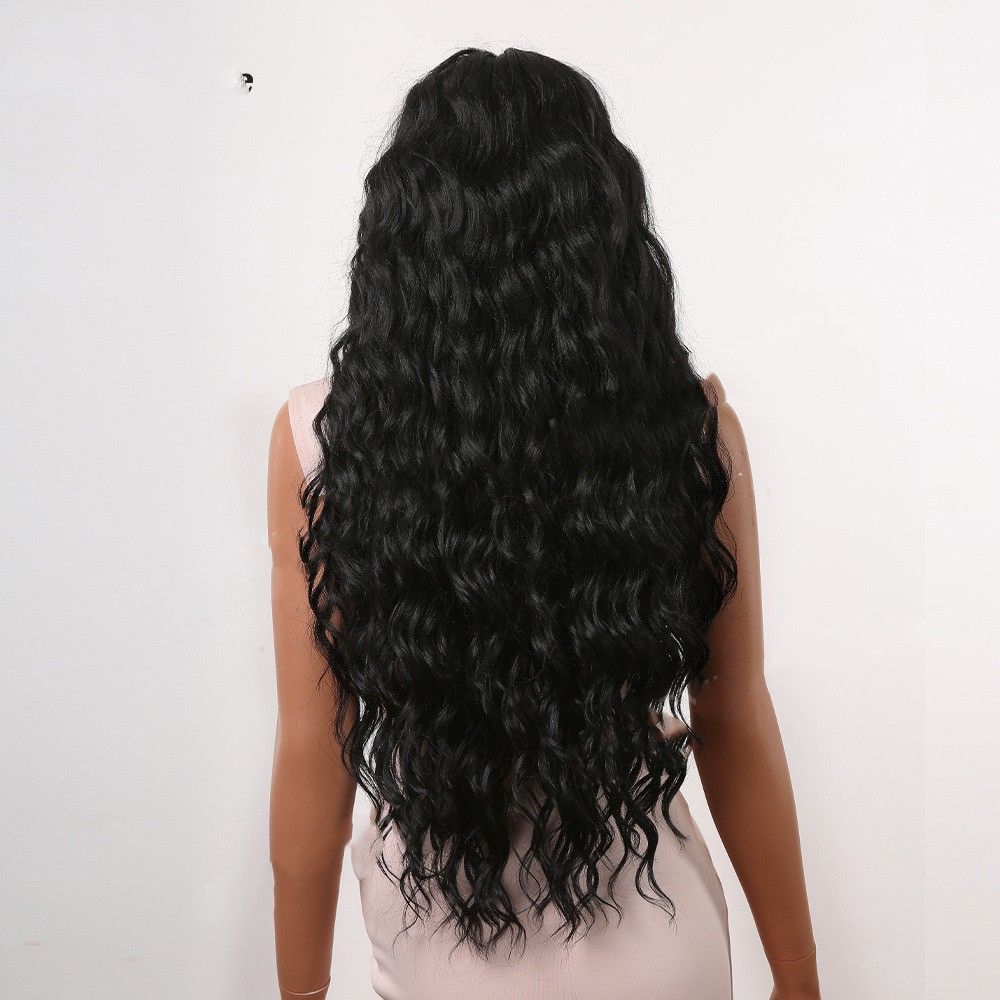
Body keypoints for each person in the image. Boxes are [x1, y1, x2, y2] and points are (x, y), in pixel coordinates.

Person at [267, 47, 820, 1000]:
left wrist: (301, 990)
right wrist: (801, 980)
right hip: (657, 937)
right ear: (604, 230)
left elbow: (312, 752)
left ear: (403, 239)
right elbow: (733, 716)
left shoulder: (322, 439)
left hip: (444, 941)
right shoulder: (686, 426)